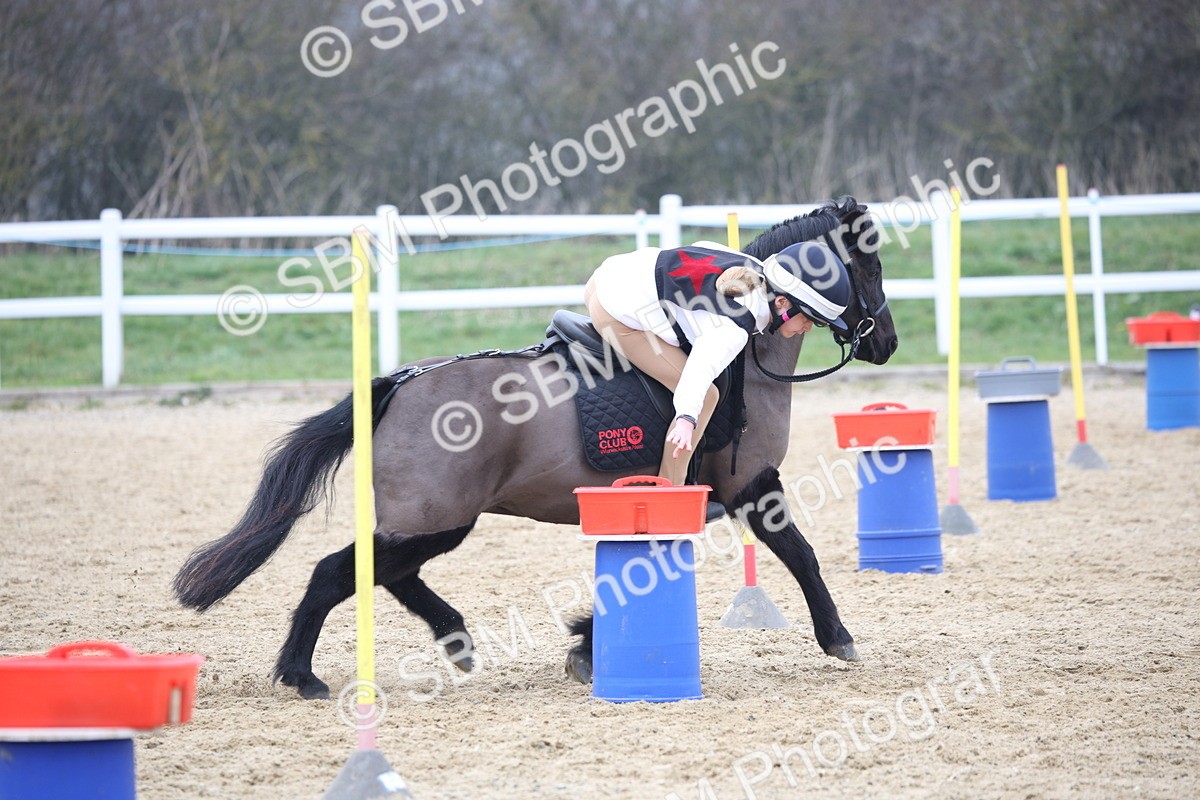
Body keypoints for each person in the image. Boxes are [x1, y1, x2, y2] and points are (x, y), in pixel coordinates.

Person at [583, 238, 852, 507]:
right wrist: (687, 418)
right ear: (782, 302)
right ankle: (668, 496)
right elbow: (698, 372)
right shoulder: (733, 328)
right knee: (708, 397)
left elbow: (703, 244)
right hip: (613, 313)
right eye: (808, 319)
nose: (807, 329)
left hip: (607, 275)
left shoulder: (756, 271)